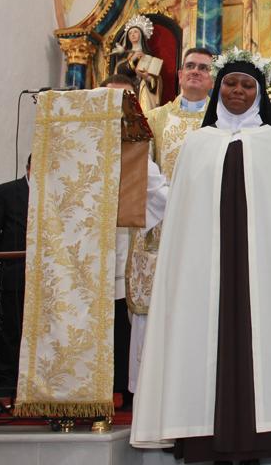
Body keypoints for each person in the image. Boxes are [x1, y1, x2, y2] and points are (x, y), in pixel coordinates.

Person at [131, 54, 271, 465]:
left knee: (263, 346)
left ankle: (260, 441)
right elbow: (184, 216)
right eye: (230, 84)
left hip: (264, 273)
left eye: (247, 86)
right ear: (217, 90)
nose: (238, 92)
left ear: (260, 94)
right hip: (203, 272)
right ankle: (199, 436)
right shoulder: (196, 143)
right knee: (201, 344)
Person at [126, 47, 214, 395]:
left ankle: (195, 391)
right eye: (189, 66)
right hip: (159, 229)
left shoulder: (221, 121)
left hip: (207, 228)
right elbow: (141, 168)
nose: (195, 72)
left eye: (203, 68)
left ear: (212, 79)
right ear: (178, 75)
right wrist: (175, 200)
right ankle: (148, 394)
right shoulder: (155, 118)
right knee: (156, 314)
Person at [100, 74, 169, 409]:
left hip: (126, 252)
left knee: (121, 322)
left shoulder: (136, 151)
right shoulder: (72, 141)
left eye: (124, 100)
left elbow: (162, 197)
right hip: (85, 255)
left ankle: (118, 391)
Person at [0, 154, 30, 389]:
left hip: (41, 276)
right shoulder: (6, 192)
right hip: (12, 273)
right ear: (30, 167)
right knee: (10, 329)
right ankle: (6, 381)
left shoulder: (53, 195)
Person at [110, 14, 163, 112]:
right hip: (127, 91)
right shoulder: (125, 56)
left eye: (135, 32)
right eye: (130, 33)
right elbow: (119, 72)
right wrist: (132, 60)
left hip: (143, 92)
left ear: (141, 35)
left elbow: (156, 81)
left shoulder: (148, 57)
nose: (133, 34)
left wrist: (147, 78)